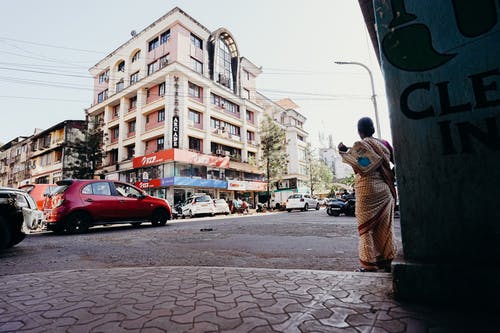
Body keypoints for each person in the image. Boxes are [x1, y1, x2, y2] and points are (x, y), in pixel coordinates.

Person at [338, 117, 397, 272]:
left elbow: (362, 164)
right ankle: (387, 260)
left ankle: (369, 264)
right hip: (385, 189)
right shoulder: (384, 144)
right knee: (386, 228)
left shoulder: (360, 145)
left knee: (366, 230)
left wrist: (344, 151)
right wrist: (390, 175)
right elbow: (398, 162)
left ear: (359, 131)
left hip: (366, 190)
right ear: (373, 129)